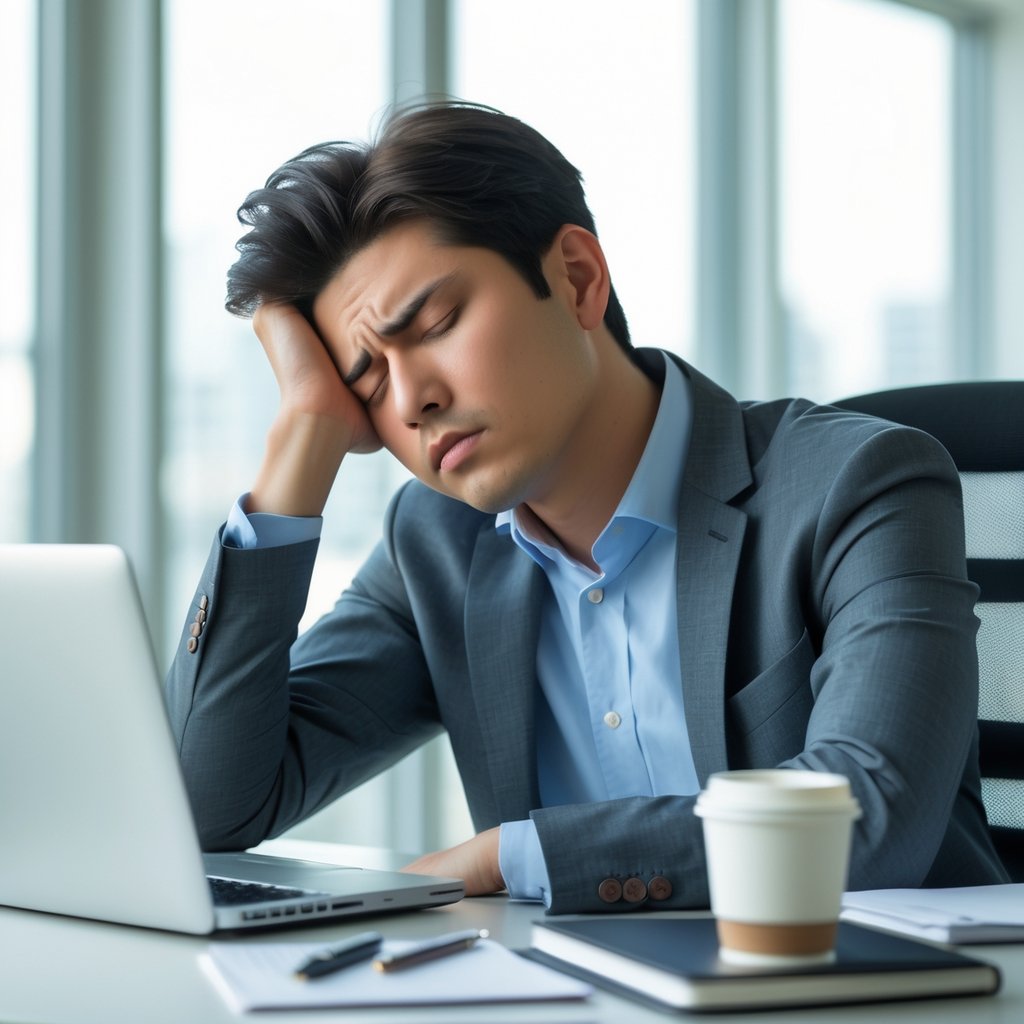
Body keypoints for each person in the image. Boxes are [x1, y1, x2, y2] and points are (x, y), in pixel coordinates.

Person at [165, 102, 1009, 914]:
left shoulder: (858, 482)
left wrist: (512, 855)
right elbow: (208, 807)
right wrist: (298, 451)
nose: (412, 399)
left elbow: (871, 816)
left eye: (435, 324)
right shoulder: (437, 546)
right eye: (367, 380)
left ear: (577, 279)